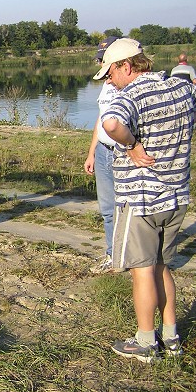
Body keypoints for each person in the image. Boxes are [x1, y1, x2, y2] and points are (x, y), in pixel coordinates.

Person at [93, 38, 196, 363]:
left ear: (126, 67)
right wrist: (183, 125)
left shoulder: (130, 95)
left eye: (110, 75)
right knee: (162, 266)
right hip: (176, 197)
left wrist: (132, 145)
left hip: (141, 200)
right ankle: (171, 337)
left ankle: (145, 342)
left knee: (142, 270)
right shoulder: (179, 87)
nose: (110, 83)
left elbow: (111, 124)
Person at [84, 36, 118, 274]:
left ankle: (138, 259)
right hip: (103, 151)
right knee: (107, 209)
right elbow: (101, 119)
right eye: (99, 60)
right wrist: (92, 153)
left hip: (124, 153)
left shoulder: (131, 84)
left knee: (131, 209)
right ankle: (112, 255)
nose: (100, 65)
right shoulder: (107, 85)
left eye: (103, 60)